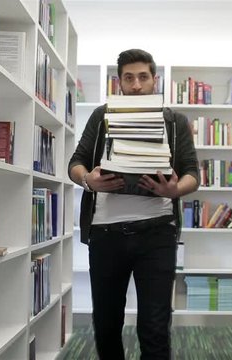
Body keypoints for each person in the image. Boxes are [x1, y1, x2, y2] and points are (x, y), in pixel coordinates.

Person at [68, 49, 200, 359]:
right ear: (119, 82)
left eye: (143, 77)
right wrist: (89, 181)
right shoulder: (102, 116)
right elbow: (76, 163)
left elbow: (193, 173)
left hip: (157, 235)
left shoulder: (175, 121)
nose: (137, 85)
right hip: (105, 236)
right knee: (106, 322)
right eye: (129, 78)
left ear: (155, 80)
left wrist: (174, 190)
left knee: (155, 326)